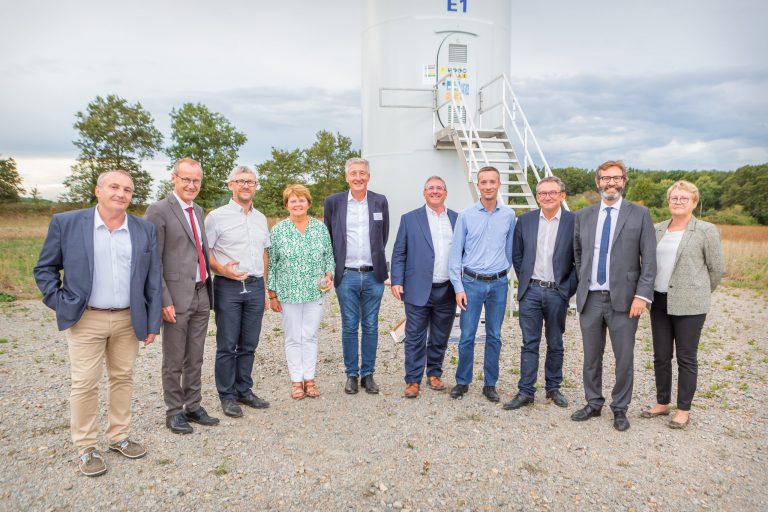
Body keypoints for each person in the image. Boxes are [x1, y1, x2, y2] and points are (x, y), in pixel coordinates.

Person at [34, 170, 161, 477]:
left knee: (123, 378)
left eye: (128, 189)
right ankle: (86, 446)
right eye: (114, 187)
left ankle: (119, 436)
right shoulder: (67, 224)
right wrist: (60, 302)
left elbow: (153, 279)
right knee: (85, 383)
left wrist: (152, 322)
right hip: (86, 318)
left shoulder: (143, 229)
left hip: (128, 318)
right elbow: (45, 268)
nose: (121, 193)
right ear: (98, 190)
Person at [571, 160, 656, 431]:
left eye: (616, 178)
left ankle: (620, 408)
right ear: (598, 182)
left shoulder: (639, 214)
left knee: (624, 358)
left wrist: (642, 296)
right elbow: (578, 254)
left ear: (623, 182)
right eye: (606, 178)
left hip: (625, 299)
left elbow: (650, 260)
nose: (611, 183)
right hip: (591, 298)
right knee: (591, 357)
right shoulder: (583, 215)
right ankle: (593, 403)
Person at [641, 180, 724, 429]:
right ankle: (662, 402)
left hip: (691, 304)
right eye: (674, 198)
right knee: (661, 356)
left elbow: (716, 269)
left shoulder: (705, 230)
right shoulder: (657, 229)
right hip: (659, 300)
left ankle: (683, 409)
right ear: (668, 201)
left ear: (694, 202)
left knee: (686, 358)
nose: (678, 202)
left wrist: (699, 291)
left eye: (683, 198)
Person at [145, 158, 219, 434]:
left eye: (196, 180)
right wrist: (163, 298)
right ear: (174, 178)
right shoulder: (159, 211)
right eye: (186, 179)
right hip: (175, 296)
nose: (191, 185)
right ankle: (174, 411)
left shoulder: (198, 210)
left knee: (196, 355)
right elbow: (152, 260)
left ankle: (193, 405)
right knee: (174, 358)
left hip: (201, 293)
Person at [504, 176, 577, 410]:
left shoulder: (573, 222)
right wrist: (526, 281)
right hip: (532, 291)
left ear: (562, 196)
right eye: (543, 193)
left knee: (555, 342)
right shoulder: (524, 221)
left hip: (558, 292)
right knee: (529, 343)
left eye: (552, 193)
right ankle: (526, 391)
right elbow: (517, 255)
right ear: (537, 197)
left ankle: (553, 388)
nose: (547, 197)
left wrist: (566, 289)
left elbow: (580, 260)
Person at [204, 166, 271, 418]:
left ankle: (244, 390)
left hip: (254, 286)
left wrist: (264, 288)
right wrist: (221, 268)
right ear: (230, 184)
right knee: (227, 344)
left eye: (251, 182)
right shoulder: (216, 217)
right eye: (241, 181)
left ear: (256, 186)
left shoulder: (260, 218)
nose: (246, 186)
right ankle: (227, 395)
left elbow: (264, 253)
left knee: (249, 344)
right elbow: (205, 252)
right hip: (228, 286)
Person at [448, 166, 516, 402]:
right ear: (478, 186)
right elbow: (455, 254)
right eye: (483, 182)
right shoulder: (466, 215)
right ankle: (462, 381)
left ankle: (490, 384)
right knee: (467, 335)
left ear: (499, 185)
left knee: (494, 335)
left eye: (492, 182)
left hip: (498, 284)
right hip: (471, 283)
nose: (488, 186)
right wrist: (458, 287)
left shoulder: (509, 216)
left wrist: (501, 273)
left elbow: (509, 251)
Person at [324, 158, 389, 395]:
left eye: (362, 173)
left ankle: (368, 375)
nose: (358, 177)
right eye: (354, 173)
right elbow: (330, 236)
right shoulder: (333, 202)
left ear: (368, 177)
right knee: (350, 325)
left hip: (373, 275)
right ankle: (351, 374)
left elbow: (383, 236)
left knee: (371, 325)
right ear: (347, 177)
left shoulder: (379, 201)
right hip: (347, 275)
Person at [391, 176, 458, 398]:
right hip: (417, 287)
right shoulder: (410, 219)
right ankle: (412, 380)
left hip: (447, 288)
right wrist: (397, 280)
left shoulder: (457, 219)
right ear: (424, 193)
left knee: (440, 335)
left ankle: (434, 373)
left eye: (439, 188)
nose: (435, 191)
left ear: (445, 193)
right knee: (414, 336)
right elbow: (400, 252)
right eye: (431, 188)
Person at [268, 184, 335, 399]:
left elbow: (329, 257)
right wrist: (272, 294)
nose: (298, 204)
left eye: (301, 200)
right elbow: (272, 264)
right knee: (293, 337)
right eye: (293, 200)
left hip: (315, 292)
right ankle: (296, 381)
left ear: (308, 203)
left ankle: (310, 379)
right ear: (287, 205)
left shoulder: (319, 228)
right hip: (288, 292)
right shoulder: (278, 231)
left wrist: (329, 275)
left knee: (310, 335)